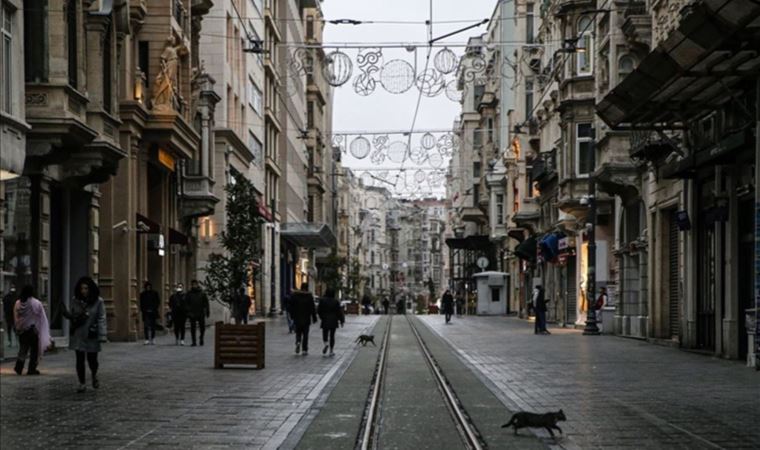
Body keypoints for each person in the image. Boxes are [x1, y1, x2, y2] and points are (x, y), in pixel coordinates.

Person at [62, 277, 107, 393]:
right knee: (79, 359)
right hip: (79, 334)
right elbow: (73, 315)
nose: (84, 291)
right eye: (82, 288)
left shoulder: (98, 301)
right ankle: (81, 382)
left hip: (92, 334)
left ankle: (94, 375)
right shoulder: (75, 300)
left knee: (92, 360)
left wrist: (102, 334)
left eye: (86, 288)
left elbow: (102, 318)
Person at [13, 285, 50, 376]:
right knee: (34, 351)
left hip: (22, 331)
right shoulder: (36, 303)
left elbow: (16, 316)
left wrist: (18, 327)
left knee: (23, 349)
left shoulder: (18, 303)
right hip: (33, 331)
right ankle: (31, 369)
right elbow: (41, 316)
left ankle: (19, 368)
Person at [289, 283, 317, 355]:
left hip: (297, 317)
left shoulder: (295, 295)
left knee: (298, 332)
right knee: (305, 334)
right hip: (306, 318)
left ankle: (298, 342)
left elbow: (292, 306)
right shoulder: (309, 296)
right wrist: (314, 317)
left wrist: (292, 316)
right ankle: (304, 349)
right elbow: (312, 308)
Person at [318, 288, 345, 357]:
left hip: (325, 319)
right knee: (332, 336)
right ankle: (331, 351)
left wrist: (322, 317)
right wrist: (341, 320)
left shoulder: (322, 300)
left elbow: (319, 310)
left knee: (325, 333)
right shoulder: (336, 301)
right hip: (334, 320)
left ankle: (326, 343)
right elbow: (339, 312)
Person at [185, 279, 210, 346]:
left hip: (200, 312)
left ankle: (201, 338)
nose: (194, 285)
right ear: (191, 285)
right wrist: (188, 312)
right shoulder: (189, 293)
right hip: (192, 313)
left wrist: (207, 311)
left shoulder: (202, 293)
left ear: (197, 285)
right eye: (193, 284)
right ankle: (194, 341)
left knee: (202, 327)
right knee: (193, 328)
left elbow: (206, 303)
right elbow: (186, 303)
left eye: (195, 284)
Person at [3, 283, 17, 347]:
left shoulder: (14, 297)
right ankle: (11, 341)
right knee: (11, 328)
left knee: (13, 328)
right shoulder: (15, 297)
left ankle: (12, 341)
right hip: (11, 315)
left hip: (11, 315)